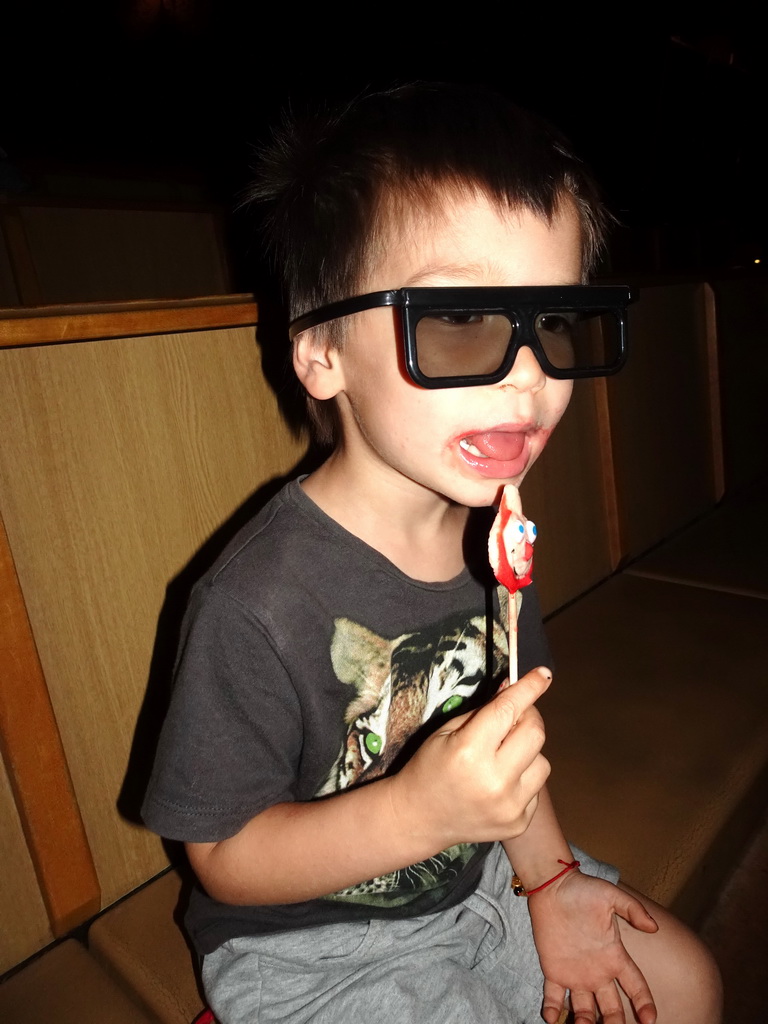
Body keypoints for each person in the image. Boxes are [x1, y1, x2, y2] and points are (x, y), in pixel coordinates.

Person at [142, 82, 722, 1024]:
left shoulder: (501, 539)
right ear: (321, 351)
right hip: (305, 948)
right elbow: (223, 860)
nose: (530, 376)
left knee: (687, 984)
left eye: (556, 320)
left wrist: (551, 883)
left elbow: (507, 752)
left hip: (478, 880)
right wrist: (420, 814)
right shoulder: (254, 601)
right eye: (459, 321)